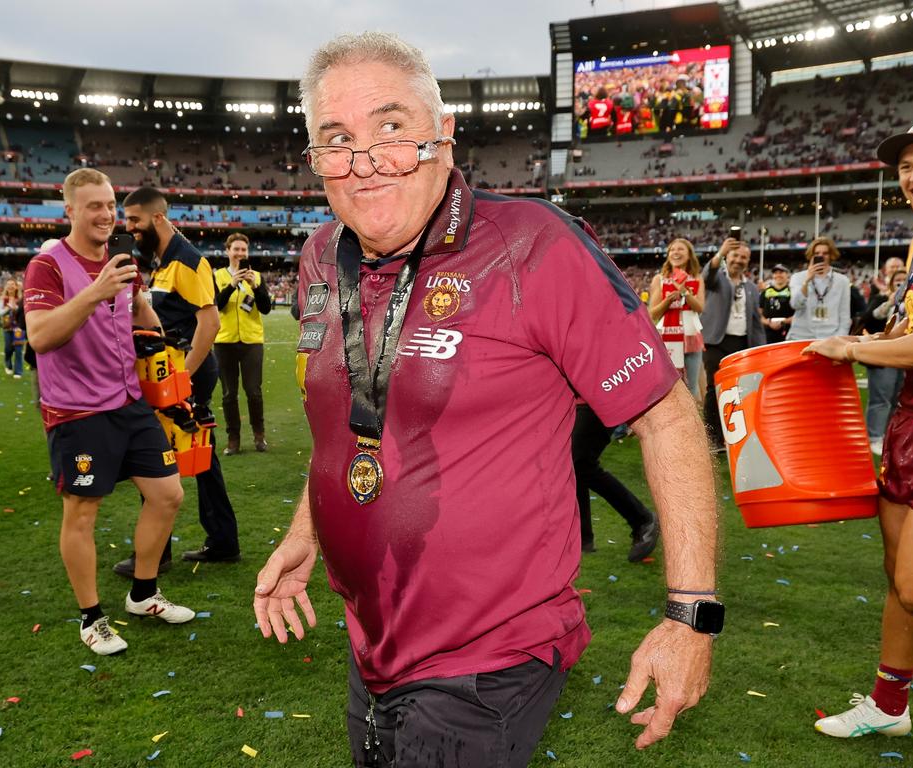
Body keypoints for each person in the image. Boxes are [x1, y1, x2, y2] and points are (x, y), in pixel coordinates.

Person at [253, 32, 721, 767]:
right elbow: (351, 427)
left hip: (489, 659)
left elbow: (665, 415)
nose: (364, 160)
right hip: (370, 637)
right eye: (335, 139)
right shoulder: (321, 254)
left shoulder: (532, 246)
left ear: (443, 135)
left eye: (390, 127)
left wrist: (691, 616)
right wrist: (307, 533)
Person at [23, 168, 195, 655]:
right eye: (93, 205)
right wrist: (95, 291)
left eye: (109, 204)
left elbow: (138, 304)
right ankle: (91, 618)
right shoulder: (48, 265)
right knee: (81, 513)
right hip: (77, 411)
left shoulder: (123, 261)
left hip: (128, 400)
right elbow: (40, 336)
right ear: (70, 211)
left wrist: (158, 342)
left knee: (167, 494)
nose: (104, 214)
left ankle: (143, 594)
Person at [805, 119, 913, 739]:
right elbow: (912, 333)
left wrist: (853, 353)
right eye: (906, 166)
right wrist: (872, 339)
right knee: (900, 578)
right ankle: (889, 705)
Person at [113, 187, 240, 572]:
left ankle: (156, 552)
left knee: (154, 454)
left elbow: (210, 322)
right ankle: (222, 541)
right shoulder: (164, 262)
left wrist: (183, 375)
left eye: (134, 220)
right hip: (172, 374)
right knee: (199, 455)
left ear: (157, 217)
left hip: (184, 375)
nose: (128, 227)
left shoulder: (186, 261)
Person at [699, 237, 766, 449]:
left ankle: (734, 433)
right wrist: (720, 253)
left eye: (743, 257)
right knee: (713, 388)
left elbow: (755, 320)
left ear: (748, 261)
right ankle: (712, 438)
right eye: (735, 255)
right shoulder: (717, 279)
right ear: (728, 257)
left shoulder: (752, 288)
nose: (739, 260)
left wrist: (760, 346)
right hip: (716, 341)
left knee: (740, 389)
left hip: (742, 343)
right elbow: (706, 275)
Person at [572, 403, 659, 561]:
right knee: (576, 465)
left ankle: (642, 520)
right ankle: (582, 539)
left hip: (596, 398)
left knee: (581, 462)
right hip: (579, 399)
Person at [213, 233, 271, 455]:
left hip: (251, 341)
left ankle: (259, 436)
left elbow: (265, 308)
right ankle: (233, 439)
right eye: (235, 249)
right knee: (229, 394)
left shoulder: (256, 276)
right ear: (227, 251)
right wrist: (231, 285)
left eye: (243, 250)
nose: (239, 253)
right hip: (224, 341)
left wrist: (255, 287)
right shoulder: (218, 276)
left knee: (254, 392)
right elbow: (215, 305)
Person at [648, 238, 705, 399]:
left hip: (691, 337)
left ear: (689, 255)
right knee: (667, 385)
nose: (676, 252)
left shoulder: (697, 278)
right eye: (672, 250)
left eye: (681, 249)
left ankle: (694, 422)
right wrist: (668, 300)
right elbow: (653, 313)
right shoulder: (659, 279)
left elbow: (700, 308)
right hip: (666, 337)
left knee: (691, 385)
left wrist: (685, 292)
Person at [859, 267, 907, 455]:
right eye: (898, 279)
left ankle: (889, 433)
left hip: (903, 354)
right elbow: (872, 317)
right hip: (883, 353)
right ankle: (874, 437)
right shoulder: (881, 298)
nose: (901, 282)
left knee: (897, 398)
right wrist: (890, 301)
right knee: (881, 398)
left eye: (904, 279)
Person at [786, 237, 851, 341]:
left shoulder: (842, 281)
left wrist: (839, 339)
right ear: (811, 256)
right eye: (817, 254)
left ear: (831, 256)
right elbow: (795, 304)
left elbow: (845, 316)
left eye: (825, 253)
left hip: (829, 338)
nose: (821, 256)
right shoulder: (798, 277)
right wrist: (806, 281)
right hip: (800, 337)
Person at [759, 264, 794, 344]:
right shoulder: (766, 292)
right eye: (775, 273)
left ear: (787, 275)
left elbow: (798, 314)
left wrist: (784, 322)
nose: (778, 275)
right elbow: (759, 313)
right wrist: (768, 323)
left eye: (781, 272)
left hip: (788, 331)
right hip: (768, 332)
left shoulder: (792, 291)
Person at [0, 279, 24, 379]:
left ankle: (18, 371)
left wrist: (16, 308)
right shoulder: (2, 299)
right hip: (7, 327)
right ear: (6, 286)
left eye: (12, 284)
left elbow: (23, 311)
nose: (10, 286)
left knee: (18, 349)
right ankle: (8, 364)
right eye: (8, 284)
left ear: (16, 286)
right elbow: (0, 313)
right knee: (8, 348)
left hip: (18, 327)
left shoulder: (21, 298)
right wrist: (9, 308)